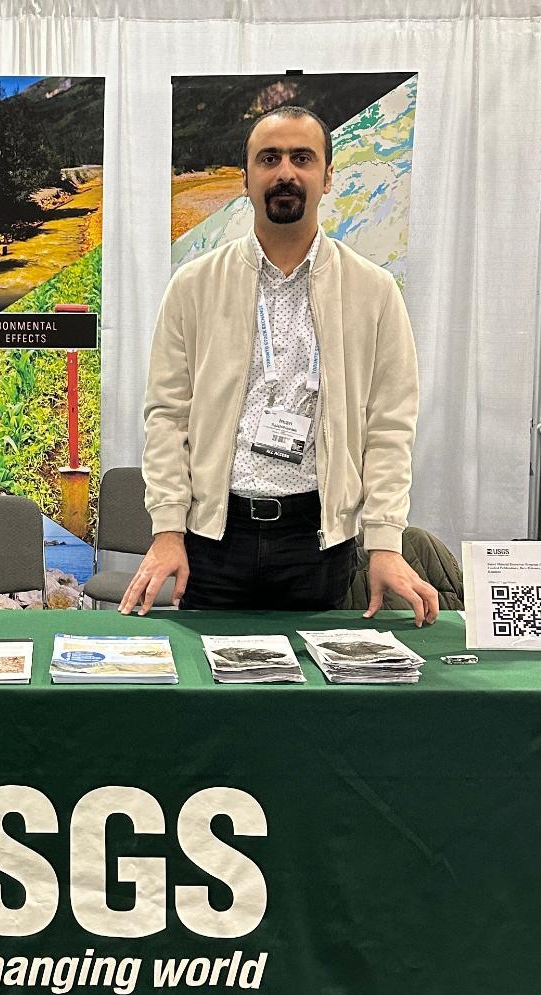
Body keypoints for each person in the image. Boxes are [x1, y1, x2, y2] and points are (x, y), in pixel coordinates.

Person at [120, 104, 439, 626]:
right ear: (245, 180)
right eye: (269, 158)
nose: (286, 172)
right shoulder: (195, 286)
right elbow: (167, 417)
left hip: (316, 542)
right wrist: (167, 530)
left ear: (328, 176)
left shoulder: (374, 292)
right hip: (213, 538)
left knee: (311, 701)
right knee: (209, 692)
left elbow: (388, 429)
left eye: (302, 158)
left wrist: (384, 541)